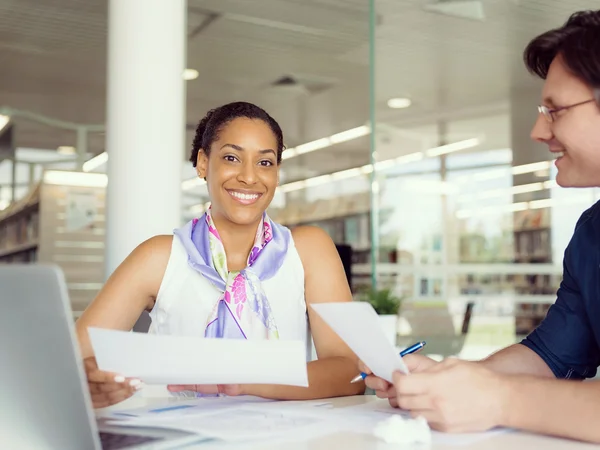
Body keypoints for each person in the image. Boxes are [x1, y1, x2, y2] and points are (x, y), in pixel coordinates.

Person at [360, 10, 600, 443]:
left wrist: (498, 398)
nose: (537, 129)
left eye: (556, 110)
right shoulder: (591, 233)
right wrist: (449, 379)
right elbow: (551, 354)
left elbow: (509, 393)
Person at [76, 101, 364, 408]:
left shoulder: (308, 250)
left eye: (265, 163)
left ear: (277, 174)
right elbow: (71, 365)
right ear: (203, 163)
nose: (249, 177)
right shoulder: (159, 257)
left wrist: (245, 380)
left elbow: (350, 374)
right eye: (231, 157)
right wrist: (90, 382)